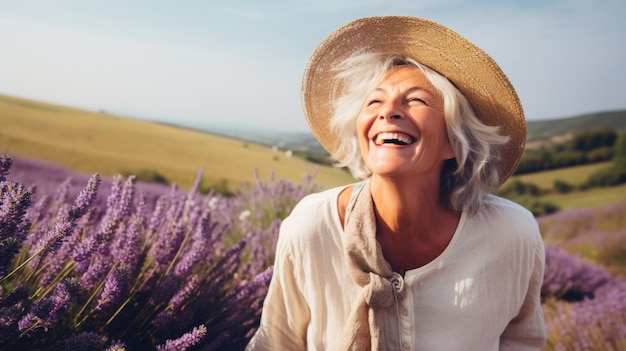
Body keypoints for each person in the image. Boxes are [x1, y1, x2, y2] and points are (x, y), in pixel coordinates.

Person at [246, 16, 546, 350]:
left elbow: (523, 341)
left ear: (453, 142)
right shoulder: (312, 226)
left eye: (415, 100)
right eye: (374, 101)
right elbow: (277, 342)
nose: (388, 111)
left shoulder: (511, 233)